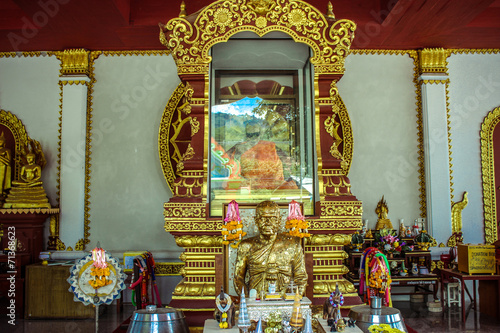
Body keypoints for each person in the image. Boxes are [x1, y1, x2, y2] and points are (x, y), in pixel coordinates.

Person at [233, 200, 307, 296]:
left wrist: (294, 300)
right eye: (263, 218)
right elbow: (238, 278)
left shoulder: (292, 244)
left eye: (273, 218)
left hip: (285, 299)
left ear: (279, 220)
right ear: (256, 221)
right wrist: (247, 299)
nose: (268, 222)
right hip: (256, 298)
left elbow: (301, 277)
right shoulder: (246, 246)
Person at [226, 121, 297, 190]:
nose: (253, 138)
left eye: (256, 134)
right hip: (246, 187)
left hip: (270, 187)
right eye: (250, 135)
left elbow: (283, 166)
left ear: (260, 134)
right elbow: (229, 167)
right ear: (246, 135)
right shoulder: (238, 148)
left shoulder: (270, 146)